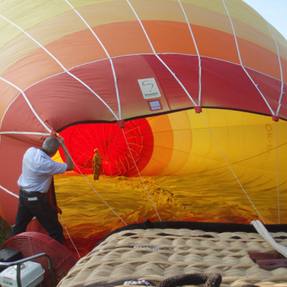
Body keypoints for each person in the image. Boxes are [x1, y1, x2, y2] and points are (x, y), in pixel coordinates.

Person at [12, 136, 74, 243]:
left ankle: (12, 250)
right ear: (54, 153)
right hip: (37, 201)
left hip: (23, 196)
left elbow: (43, 146)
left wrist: (50, 138)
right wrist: (63, 145)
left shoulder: (30, 151)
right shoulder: (48, 165)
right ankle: (58, 256)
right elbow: (70, 166)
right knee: (55, 230)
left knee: (19, 227)